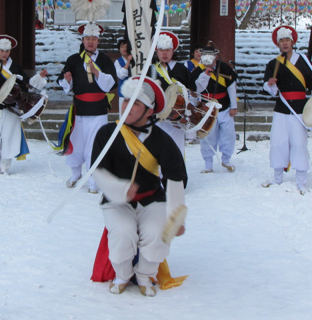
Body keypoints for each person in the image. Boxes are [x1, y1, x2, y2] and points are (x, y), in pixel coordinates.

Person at [91, 76, 187, 297]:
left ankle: (144, 274)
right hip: (116, 202)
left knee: (157, 235)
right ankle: (123, 275)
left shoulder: (163, 141)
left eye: (135, 103)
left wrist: (176, 218)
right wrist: (120, 189)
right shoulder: (107, 133)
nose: (126, 107)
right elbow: (98, 171)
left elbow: (175, 178)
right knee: (123, 234)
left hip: (152, 199)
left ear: (149, 111)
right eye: (125, 100)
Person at [262, 26, 312, 194]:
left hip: (300, 110)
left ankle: (301, 181)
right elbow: (268, 87)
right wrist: (270, 84)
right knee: (278, 142)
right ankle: (277, 178)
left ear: (292, 42)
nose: (284, 43)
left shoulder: (303, 60)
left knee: (299, 143)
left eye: (287, 40)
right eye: (281, 41)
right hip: (282, 108)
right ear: (278, 44)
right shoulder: (273, 63)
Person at [57, 22, 117, 193]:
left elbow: (111, 83)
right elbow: (64, 83)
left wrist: (97, 72)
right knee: (76, 142)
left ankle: (93, 180)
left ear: (98, 41)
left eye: (94, 39)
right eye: (87, 38)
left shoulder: (104, 60)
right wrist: (68, 79)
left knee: (95, 144)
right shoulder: (74, 59)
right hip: (79, 108)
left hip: (98, 110)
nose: (90, 42)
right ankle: (75, 174)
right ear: (82, 40)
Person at [0, 34, 48, 175]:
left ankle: (5, 167)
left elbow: (27, 84)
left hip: (12, 108)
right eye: (2, 51)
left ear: (10, 52)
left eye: (7, 51)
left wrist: (39, 78)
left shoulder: (15, 67)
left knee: (9, 137)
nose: (4, 54)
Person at [191, 42, 238, 173]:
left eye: (210, 56)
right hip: (207, 108)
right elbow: (196, 89)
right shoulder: (199, 70)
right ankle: (208, 163)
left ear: (216, 57)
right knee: (208, 135)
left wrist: (234, 106)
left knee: (228, 134)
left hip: (224, 106)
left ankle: (226, 159)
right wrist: (205, 74)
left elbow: (231, 87)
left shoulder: (224, 68)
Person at [152, 31, 195, 155]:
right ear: (157, 51)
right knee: (158, 148)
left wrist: (189, 110)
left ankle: (176, 173)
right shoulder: (151, 69)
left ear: (173, 51)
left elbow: (192, 91)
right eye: (161, 50)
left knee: (176, 148)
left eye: (168, 50)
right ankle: (159, 174)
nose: (164, 53)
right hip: (158, 115)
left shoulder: (182, 69)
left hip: (178, 117)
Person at [114, 38, 133, 111]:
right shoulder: (118, 62)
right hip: (123, 93)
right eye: (122, 47)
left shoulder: (135, 59)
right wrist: (128, 62)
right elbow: (121, 75)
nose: (124, 49)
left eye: (126, 47)